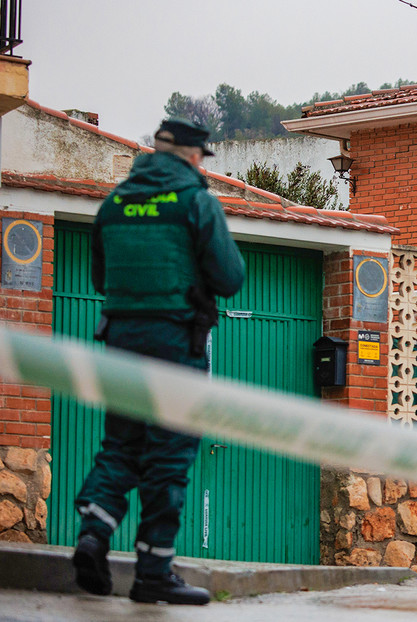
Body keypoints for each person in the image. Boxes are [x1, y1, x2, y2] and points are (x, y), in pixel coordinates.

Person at [70, 118, 245, 606]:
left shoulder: (115, 203)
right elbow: (230, 278)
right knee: (167, 456)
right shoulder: (196, 203)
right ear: (193, 156)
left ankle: (93, 536)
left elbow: (101, 280)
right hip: (176, 347)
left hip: (120, 342)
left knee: (120, 446)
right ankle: (153, 573)